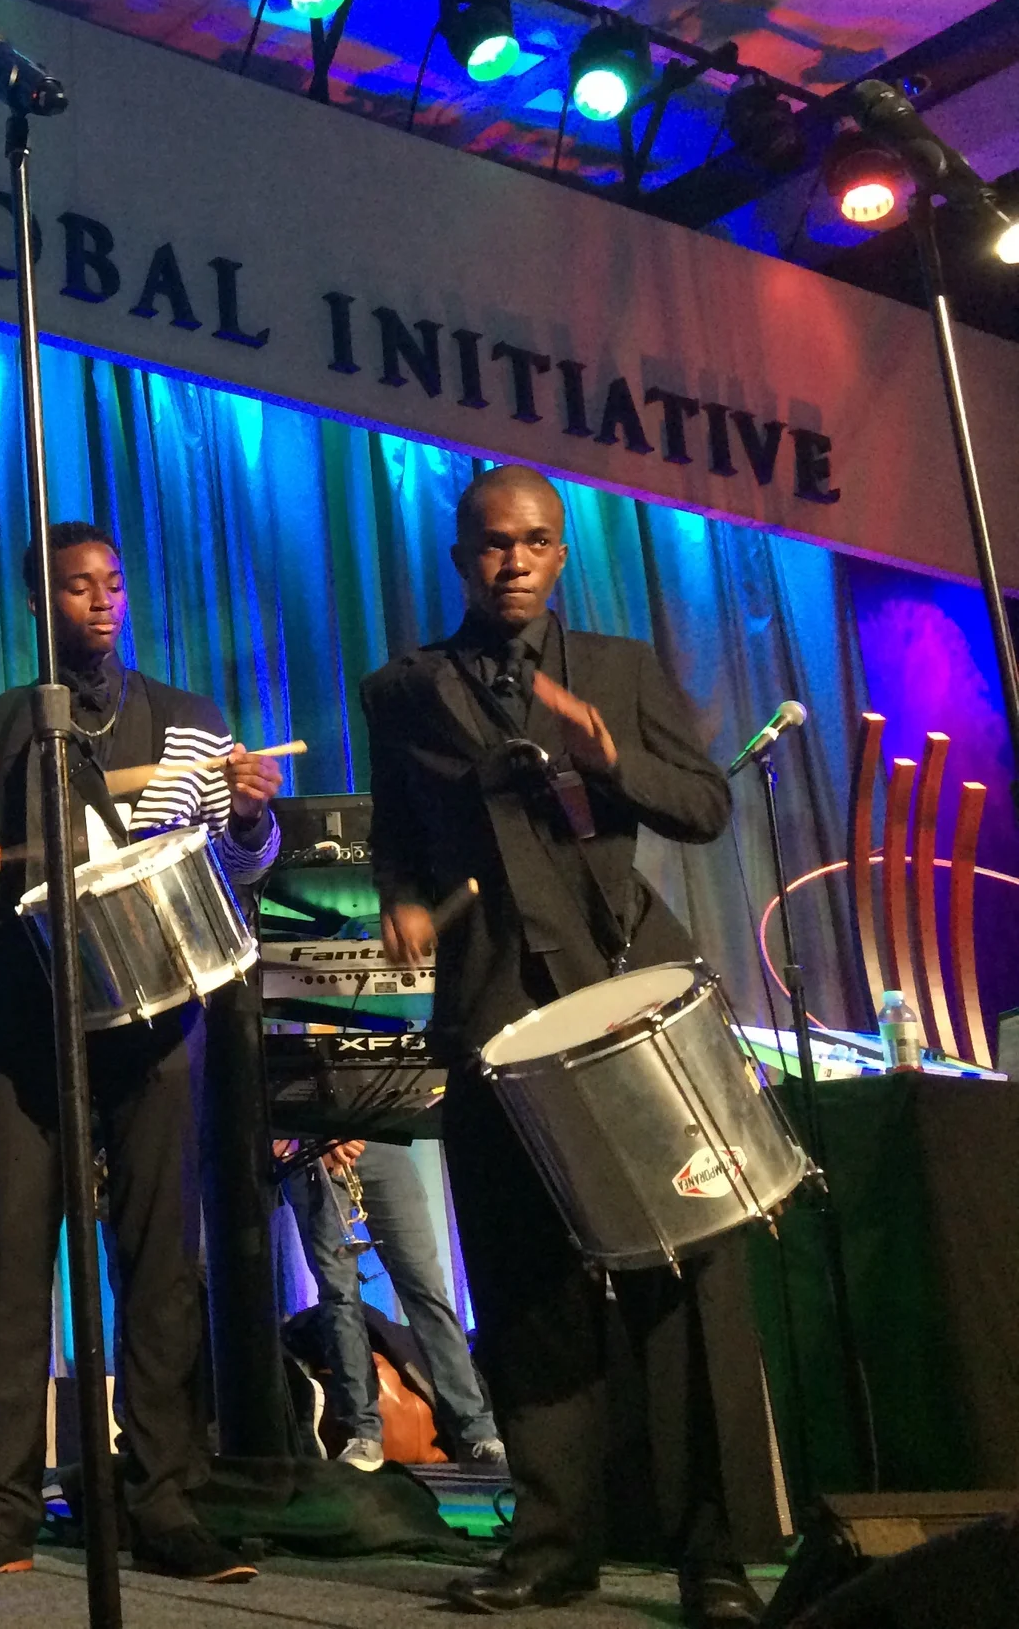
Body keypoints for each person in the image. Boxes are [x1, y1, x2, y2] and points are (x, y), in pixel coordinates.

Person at [363, 465, 768, 1625]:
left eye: (535, 542)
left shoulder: (618, 669)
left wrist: (608, 758)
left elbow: (703, 807)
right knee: (523, 1280)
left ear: (560, 554)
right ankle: (551, 1542)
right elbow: (398, 837)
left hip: (628, 1000)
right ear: (461, 558)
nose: (514, 562)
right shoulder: (402, 690)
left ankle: (708, 1552)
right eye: (493, 544)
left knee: (681, 1278)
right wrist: (401, 901)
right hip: (492, 1011)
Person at [0, 520, 282, 1583]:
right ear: (38, 603)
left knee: (161, 1262)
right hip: (23, 1012)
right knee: (12, 1257)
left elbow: (241, 860)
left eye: (112, 583)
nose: (102, 600)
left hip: (158, 1012)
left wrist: (253, 818)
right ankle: (2, 1503)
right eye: (77, 586)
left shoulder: (191, 725)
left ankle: (163, 1498)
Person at [278, 1138, 504, 1472]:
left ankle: (476, 1433)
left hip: (378, 1141)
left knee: (427, 1289)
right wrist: (301, 1142)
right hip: (312, 1154)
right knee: (340, 1299)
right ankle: (362, 1433)